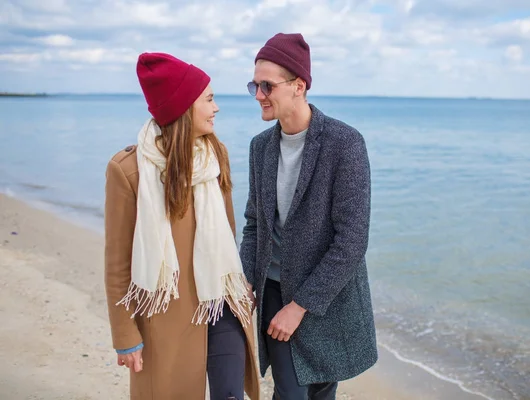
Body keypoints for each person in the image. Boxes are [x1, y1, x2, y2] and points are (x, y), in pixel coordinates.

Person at [104, 52, 259, 400]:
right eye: (208, 99)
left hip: (222, 302)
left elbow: (229, 230)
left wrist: (241, 281)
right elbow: (117, 263)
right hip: (167, 316)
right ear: (184, 107)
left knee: (231, 394)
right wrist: (125, 336)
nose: (216, 107)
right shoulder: (128, 170)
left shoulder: (215, 155)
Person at [240, 33, 378, 400]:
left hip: (326, 299)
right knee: (291, 393)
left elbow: (351, 240)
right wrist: (245, 281)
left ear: (298, 86)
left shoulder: (344, 143)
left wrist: (300, 307)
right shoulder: (260, 148)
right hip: (273, 291)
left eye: (266, 85)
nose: (258, 94)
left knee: (320, 391)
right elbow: (255, 224)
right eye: (254, 84)